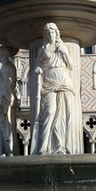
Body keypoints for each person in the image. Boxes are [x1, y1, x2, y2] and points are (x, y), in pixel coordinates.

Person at [31, 22, 82, 155]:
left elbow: (71, 66)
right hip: (49, 83)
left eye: (52, 32)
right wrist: (38, 69)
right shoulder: (43, 49)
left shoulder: (62, 47)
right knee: (50, 112)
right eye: (48, 33)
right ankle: (43, 147)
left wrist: (65, 53)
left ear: (56, 33)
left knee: (65, 115)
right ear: (45, 35)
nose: (51, 35)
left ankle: (61, 146)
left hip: (64, 81)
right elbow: (38, 64)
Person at [0, 46, 18, 156]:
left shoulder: (8, 67)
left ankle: (9, 150)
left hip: (5, 98)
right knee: (2, 126)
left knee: (6, 125)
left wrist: (1, 98)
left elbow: (8, 83)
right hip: (4, 97)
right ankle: (5, 150)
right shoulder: (6, 66)